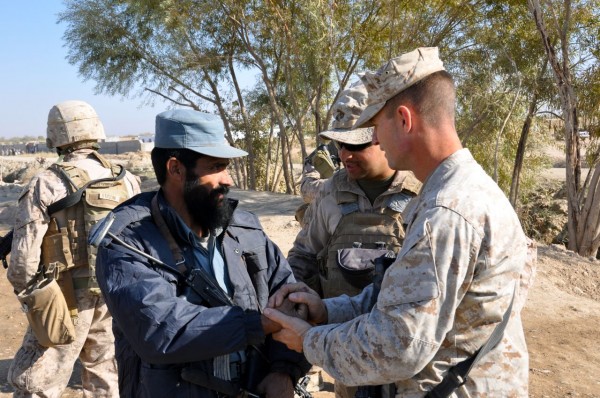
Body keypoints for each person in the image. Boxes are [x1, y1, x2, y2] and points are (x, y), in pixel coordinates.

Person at [264, 47, 534, 396]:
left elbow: (398, 344)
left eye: (375, 126)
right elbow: (399, 297)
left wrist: (309, 341)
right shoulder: (458, 192)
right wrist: (325, 311)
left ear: (404, 120)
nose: (373, 139)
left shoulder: (447, 212)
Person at [91, 109, 309, 397]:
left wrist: (283, 371)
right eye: (216, 167)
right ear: (176, 169)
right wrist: (261, 323)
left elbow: (292, 300)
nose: (228, 179)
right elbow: (161, 331)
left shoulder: (245, 228)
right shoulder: (127, 240)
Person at [289, 81, 421, 398]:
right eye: (339, 146)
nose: (345, 155)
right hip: (343, 348)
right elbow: (304, 256)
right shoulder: (330, 193)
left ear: (384, 137)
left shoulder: (423, 191)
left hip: (406, 357)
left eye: (356, 145)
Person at [7, 100, 141, 397]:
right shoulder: (126, 178)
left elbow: (23, 260)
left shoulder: (48, 181)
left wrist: (32, 297)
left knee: (40, 379)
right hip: (115, 291)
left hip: (65, 295)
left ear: (56, 136)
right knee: (106, 372)